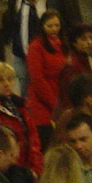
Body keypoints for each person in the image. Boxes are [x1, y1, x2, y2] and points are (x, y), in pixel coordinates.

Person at [0, 61, 42, 177]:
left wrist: (35, 169)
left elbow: (33, 138)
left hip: (27, 171)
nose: (6, 84)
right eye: (0, 80)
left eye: (10, 79)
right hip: (5, 173)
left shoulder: (22, 106)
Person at [24, 10, 67, 148]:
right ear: (42, 26)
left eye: (57, 25)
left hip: (61, 102)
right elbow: (37, 80)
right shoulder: (36, 47)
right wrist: (55, 105)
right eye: (50, 26)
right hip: (42, 107)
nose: (54, 29)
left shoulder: (62, 44)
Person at [4, 0, 43, 97]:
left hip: (23, 57)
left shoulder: (30, 7)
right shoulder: (26, 11)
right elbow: (24, 37)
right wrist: (31, 59)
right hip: (24, 59)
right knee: (27, 92)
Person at [57, 23, 92, 99]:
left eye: (91, 38)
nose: (89, 42)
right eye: (84, 39)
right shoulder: (72, 66)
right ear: (74, 43)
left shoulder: (83, 59)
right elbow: (67, 96)